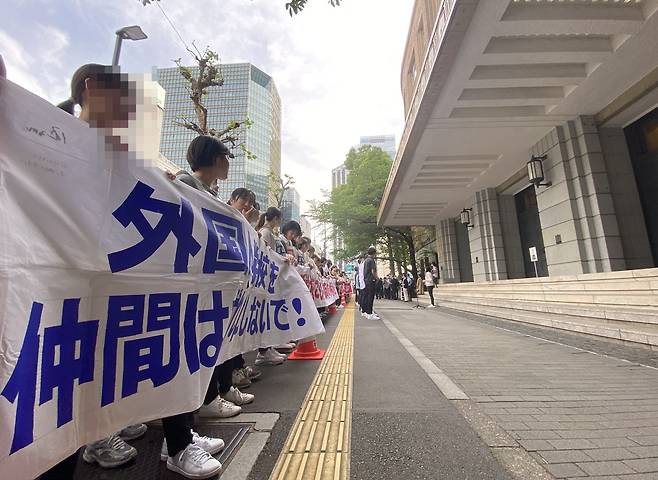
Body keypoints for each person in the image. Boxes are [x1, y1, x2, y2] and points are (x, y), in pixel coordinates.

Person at [54, 65, 223, 479]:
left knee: (115, 354)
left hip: (113, 281)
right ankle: (95, 437)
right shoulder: (55, 137)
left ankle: (118, 431)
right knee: (75, 362)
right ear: (91, 90)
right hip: (75, 280)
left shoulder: (123, 157)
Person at [361, 246, 379, 320]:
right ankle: (370, 313)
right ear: (374, 253)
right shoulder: (371, 260)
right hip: (371, 280)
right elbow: (373, 271)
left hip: (366, 280)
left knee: (366, 296)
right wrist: (377, 278)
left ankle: (365, 311)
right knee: (370, 297)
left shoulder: (366, 260)